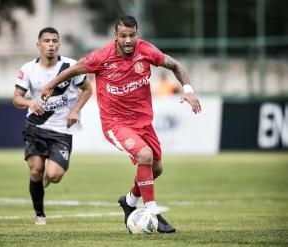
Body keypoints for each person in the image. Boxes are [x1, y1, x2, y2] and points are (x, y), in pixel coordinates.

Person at [41, 15, 201, 233]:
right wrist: (50, 85)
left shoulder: (146, 51)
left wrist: (189, 91)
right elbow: (73, 70)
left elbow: (175, 65)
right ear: (115, 35)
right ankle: (153, 213)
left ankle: (129, 201)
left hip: (144, 122)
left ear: (137, 34)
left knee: (157, 168)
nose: (128, 40)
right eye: (123, 36)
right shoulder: (101, 57)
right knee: (144, 156)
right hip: (115, 123)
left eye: (132, 35)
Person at [13, 27, 92, 225]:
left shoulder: (71, 66)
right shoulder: (28, 69)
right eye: (46, 41)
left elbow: (88, 90)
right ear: (38, 44)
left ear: (59, 44)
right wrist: (30, 103)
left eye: (54, 41)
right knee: (35, 171)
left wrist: (75, 110)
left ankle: (47, 178)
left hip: (62, 131)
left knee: (55, 175)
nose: (51, 45)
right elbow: (16, 98)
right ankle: (39, 214)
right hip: (36, 127)